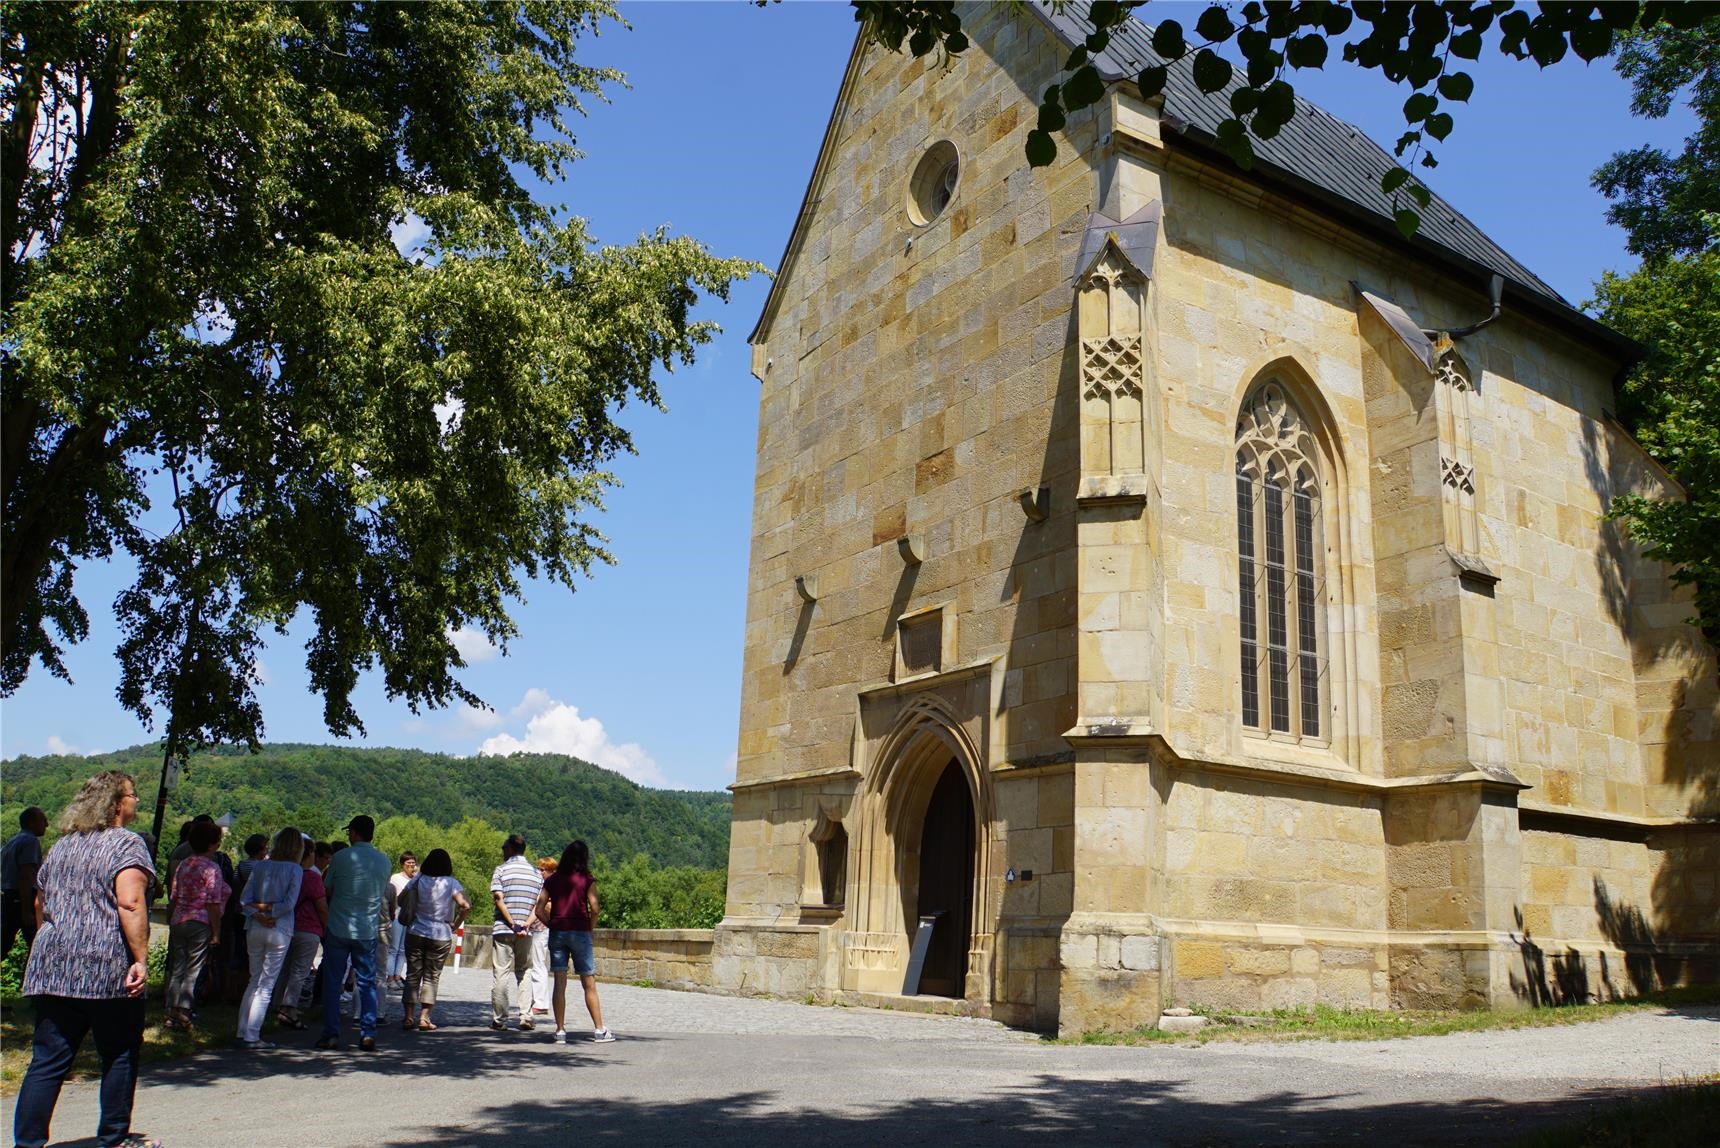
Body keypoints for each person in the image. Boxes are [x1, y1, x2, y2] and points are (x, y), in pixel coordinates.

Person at [11, 771, 161, 1148]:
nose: (136, 800)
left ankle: (27, 1143)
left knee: (47, 1060)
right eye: (132, 794)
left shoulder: (61, 846)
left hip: (53, 963)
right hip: (105, 964)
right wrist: (140, 958)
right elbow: (130, 902)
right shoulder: (128, 845)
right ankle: (113, 1138)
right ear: (115, 803)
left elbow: (40, 902)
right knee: (120, 1051)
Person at [317, 815, 390, 1052]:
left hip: (339, 926)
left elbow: (327, 888)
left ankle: (331, 1033)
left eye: (349, 832)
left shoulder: (340, 857)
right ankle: (368, 1032)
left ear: (355, 833)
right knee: (367, 982)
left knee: (332, 982)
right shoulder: (384, 861)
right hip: (367, 930)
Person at [533, 839, 614, 1044]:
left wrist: (552, 924)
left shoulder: (552, 881)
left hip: (558, 932)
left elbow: (539, 909)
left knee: (560, 983)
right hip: (580, 931)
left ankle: (560, 1031)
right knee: (589, 983)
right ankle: (599, 1029)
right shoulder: (587, 879)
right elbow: (594, 907)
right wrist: (589, 926)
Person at [235, 828, 303, 1050]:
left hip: (254, 926)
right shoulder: (295, 869)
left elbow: (244, 900)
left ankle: (242, 1029)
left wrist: (258, 913)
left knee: (254, 979)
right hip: (279, 928)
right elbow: (289, 902)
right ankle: (252, 1035)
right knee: (266, 984)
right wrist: (271, 914)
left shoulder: (261, 866)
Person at [163, 821, 229, 1032]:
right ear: (213, 844)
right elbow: (213, 902)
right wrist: (216, 931)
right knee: (194, 968)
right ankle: (184, 1010)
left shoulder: (184, 864)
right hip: (200, 921)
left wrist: (171, 917)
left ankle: (170, 1011)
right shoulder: (212, 868)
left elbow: (174, 895)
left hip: (179, 919)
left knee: (177, 967)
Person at [400, 848, 468, 1032]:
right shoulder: (451, 883)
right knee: (432, 977)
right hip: (440, 934)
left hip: (415, 931)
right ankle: (424, 1018)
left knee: (412, 975)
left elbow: (400, 900)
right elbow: (465, 906)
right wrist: (455, 924)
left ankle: (407, 1017)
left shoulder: (418, 879)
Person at [488, 833, 543, 1031]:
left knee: (501, 972)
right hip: (526, 932)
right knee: (525, 970)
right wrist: (526, 924)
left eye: (504, 848)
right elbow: (540, 904)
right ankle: (526, 1016)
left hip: (504, 929)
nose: (502, 851)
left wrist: (513, 924)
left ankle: (500, 1019)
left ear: (510, 849)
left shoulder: (501, 870)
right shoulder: (536, 873)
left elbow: (498, 899)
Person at [271, 835, 326, 1030]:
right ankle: (289, 1008)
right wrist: (326, 927)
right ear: (309, 854)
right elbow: (321, 906)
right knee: (299, 972)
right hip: (308, 928)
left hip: (286, 928)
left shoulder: (286, 873)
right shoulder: (312, 877)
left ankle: (276, 1004)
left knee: (284, 969)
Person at [2, 806, 48, 959]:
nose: (47, 824)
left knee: (4, 941)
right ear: (31, 822)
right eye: (43, 820)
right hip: (22, 898)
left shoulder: (12, 842)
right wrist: (27, 910)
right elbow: (26, 876)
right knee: (38, 947)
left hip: (8, 897)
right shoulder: (30, 841)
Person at [382, 851, 417, 991]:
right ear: (402, 864)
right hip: (398, 913)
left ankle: (397, 976)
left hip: (411, 915)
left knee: (403, 949)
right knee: (394, 948)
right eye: (408, 863)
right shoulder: (396, 878)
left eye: (413, 863)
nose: (411, 866)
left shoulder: (416, 879)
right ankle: (389, 977)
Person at [530, 856, 557, 1017]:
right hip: (540, 928)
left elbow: (541, 908)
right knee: (536, 963)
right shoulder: (548, 885)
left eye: (542, 869)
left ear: (551, 871)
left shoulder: (549, 887)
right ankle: (538, 1000)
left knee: (537, 964)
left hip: (541, 928)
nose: (539, 872)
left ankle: (540, 1002)